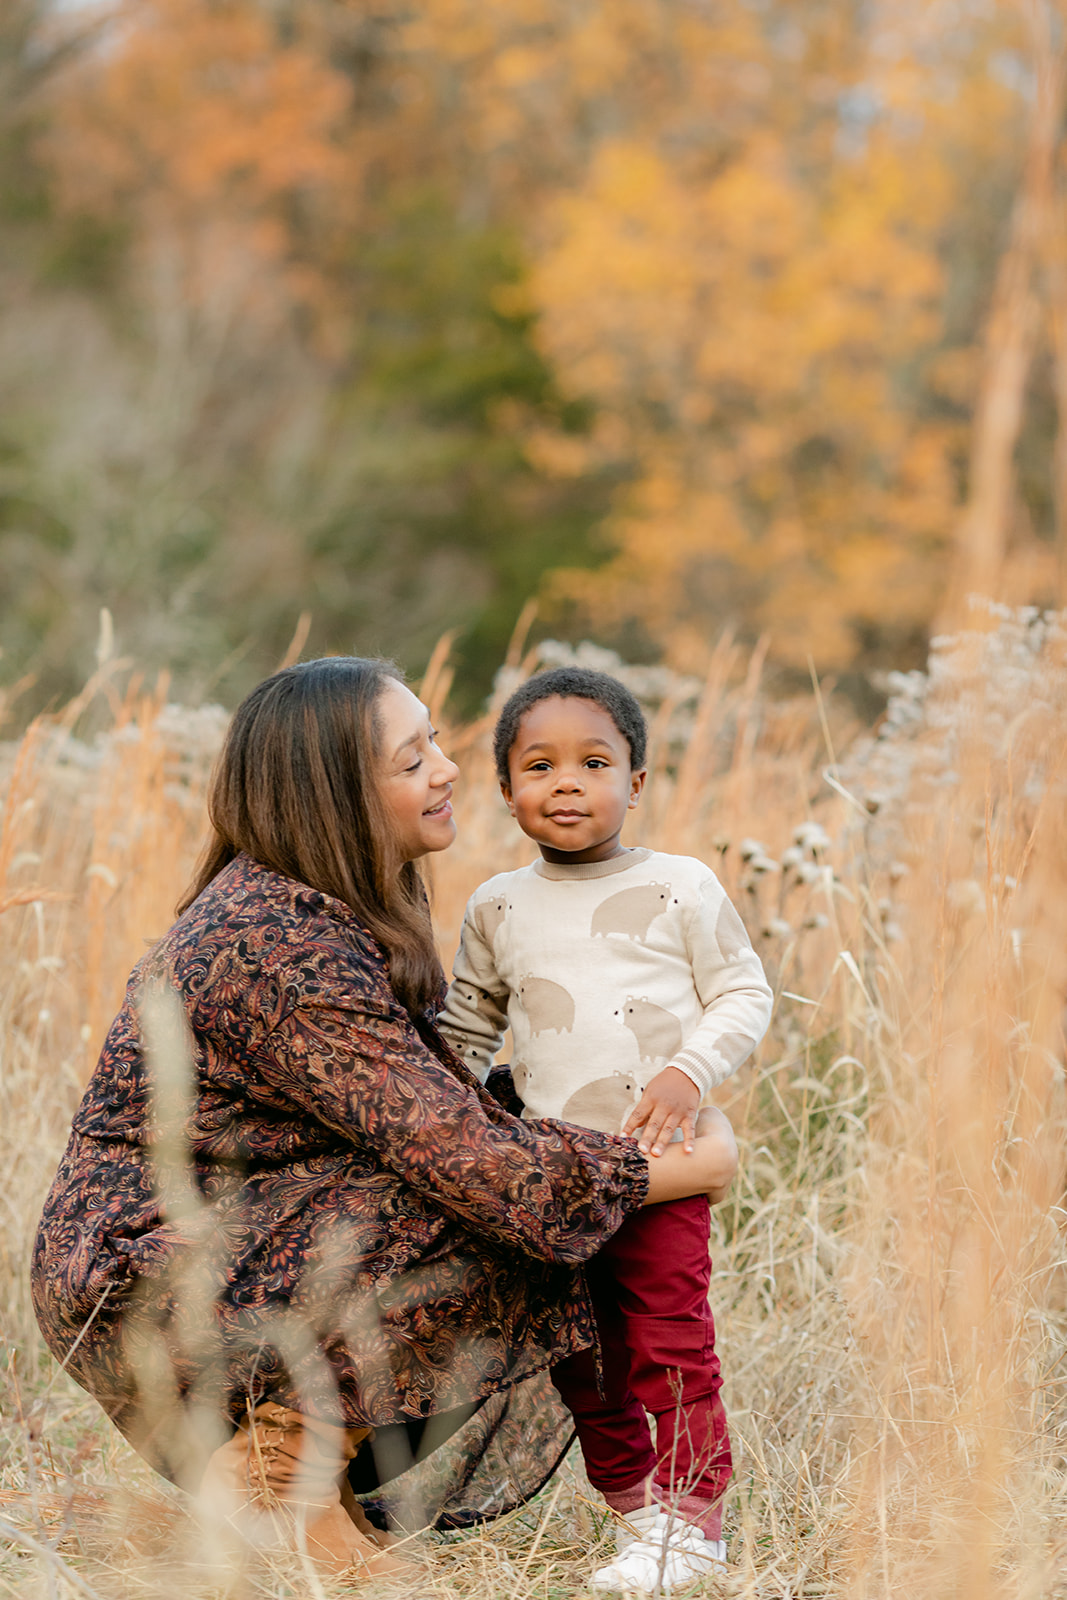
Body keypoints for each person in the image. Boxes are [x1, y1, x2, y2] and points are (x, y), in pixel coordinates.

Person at [29, 656, 738, 1585]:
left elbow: (449, 1103)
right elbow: (471, 1159)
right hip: (155, 1272)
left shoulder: (336, 902)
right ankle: (276, 1488)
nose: (447, 769)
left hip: (228, 1243)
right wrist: (670, 1171)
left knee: (494, 1184)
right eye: (412, 760)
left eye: (435, 741)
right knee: (490, 1201)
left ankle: (284, 1485)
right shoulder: (274, 939)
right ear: (335, 795)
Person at [438, 665, 773, 1590]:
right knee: (579, 1354)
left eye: (593, 762)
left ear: (633, 781)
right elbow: (465, 1030)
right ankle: (637, 1511)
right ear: (506, 792)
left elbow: (744, 992)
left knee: (667, 1339)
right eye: (538, 766)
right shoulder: (496, 906)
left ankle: (692, 1522)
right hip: (556, 1183)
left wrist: (687, 1069)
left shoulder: (680, 886)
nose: (566, 783)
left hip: (660, 1165)